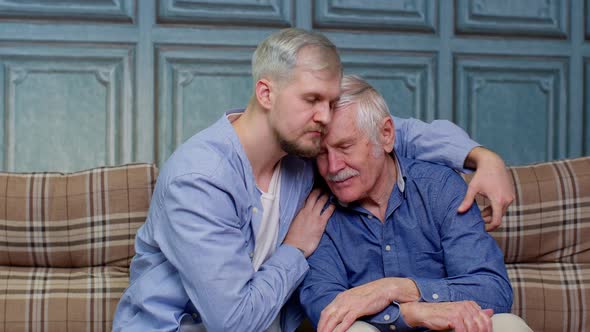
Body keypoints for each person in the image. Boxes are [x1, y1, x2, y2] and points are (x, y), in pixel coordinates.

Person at [112, 28, 514, 332]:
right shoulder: (200, 180)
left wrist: (481, 157)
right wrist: (294, 249)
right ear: (266, 94)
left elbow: (392, 134)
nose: (324, 116)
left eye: (330, 100)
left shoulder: (306, 155)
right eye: (312, 100)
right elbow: (232, 322)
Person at [298, 75, 532, 332]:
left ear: (386, 135)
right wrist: (411, 313)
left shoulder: (439, 188)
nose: (332, 167)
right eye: (321, 152)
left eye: (345, 147)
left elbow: (493, 290)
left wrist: (394, 288)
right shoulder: (316, 210)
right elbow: (324, 305)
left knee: (508, 325)